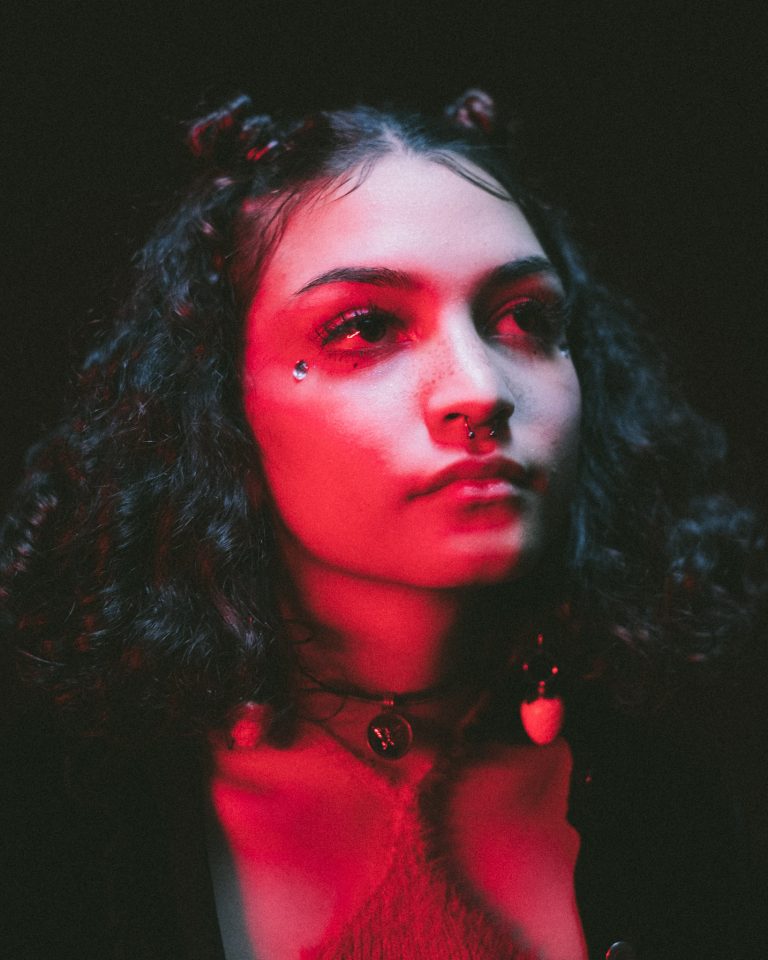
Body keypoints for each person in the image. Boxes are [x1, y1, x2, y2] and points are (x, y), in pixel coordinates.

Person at [0, 90, 764, 960]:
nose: (481, 389)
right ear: (218, 402)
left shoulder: (676, 817)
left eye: (526, 318)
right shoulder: (53, 835)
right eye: (364, 328)